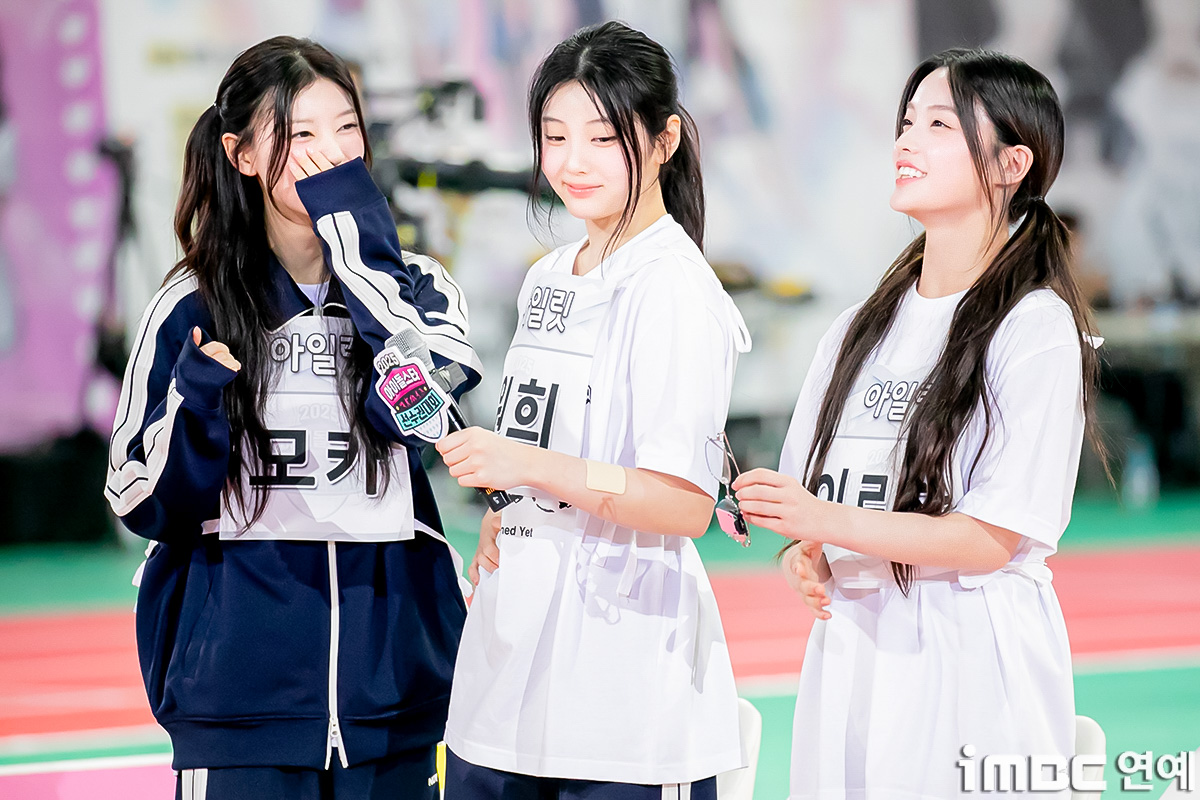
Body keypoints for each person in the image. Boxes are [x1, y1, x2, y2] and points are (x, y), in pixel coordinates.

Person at [104, 36, 481, 800]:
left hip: (394, 697)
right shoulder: (191, 305)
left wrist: (364, 261)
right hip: (238, 707)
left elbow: (420, 417)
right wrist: (198, 400)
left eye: (346, 129)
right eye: (300, 133)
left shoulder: (422, 291)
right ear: (242, 154)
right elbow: (137, 497)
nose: (330, 153)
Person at [733, 48, 1103, 798]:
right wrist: (809, 551)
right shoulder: (856, 328)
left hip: (969, 661)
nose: (906, 142)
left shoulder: (1034, 326)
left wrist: (824, 522)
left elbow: (990, 538)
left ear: (1011, 164)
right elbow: (821, 507)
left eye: (939, 125)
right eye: (906, 123)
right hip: (853, 654)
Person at [434, 21, 751, 800]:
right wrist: (513, 510)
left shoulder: (674, 289)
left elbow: (682, 504)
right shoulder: (549, 275)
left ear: (665, 140)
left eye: (603, 138)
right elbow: (548, 444)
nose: (573, 162)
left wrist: (529, 467)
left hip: (623, 695)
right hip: (511, 671)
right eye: (555, 136)